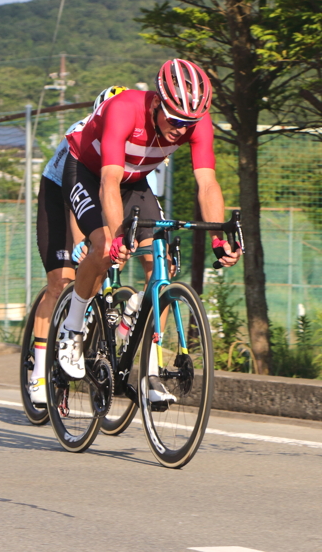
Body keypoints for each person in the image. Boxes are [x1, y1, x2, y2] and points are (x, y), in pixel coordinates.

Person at [56, 59, 241, 403]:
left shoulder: (196, 125)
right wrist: (112, 238)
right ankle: (72, 327)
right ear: (157, 102)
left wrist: (218, 237)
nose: (181, 130)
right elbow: (109, 181)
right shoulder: (124, 110)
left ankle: (149, 370)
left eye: (189, 124)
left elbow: (207, 184)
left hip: (135, 181)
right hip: (88, 171)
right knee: (102, 247)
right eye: (174, 120)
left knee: (163, 268)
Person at [26, 86, 127, 406]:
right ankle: (38, 372)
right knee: (60, 282)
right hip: (59, 194)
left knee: (105, 262)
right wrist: (82, 241)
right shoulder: (81, 132)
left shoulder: (129, 142)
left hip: (100, 190)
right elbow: (75, 198)